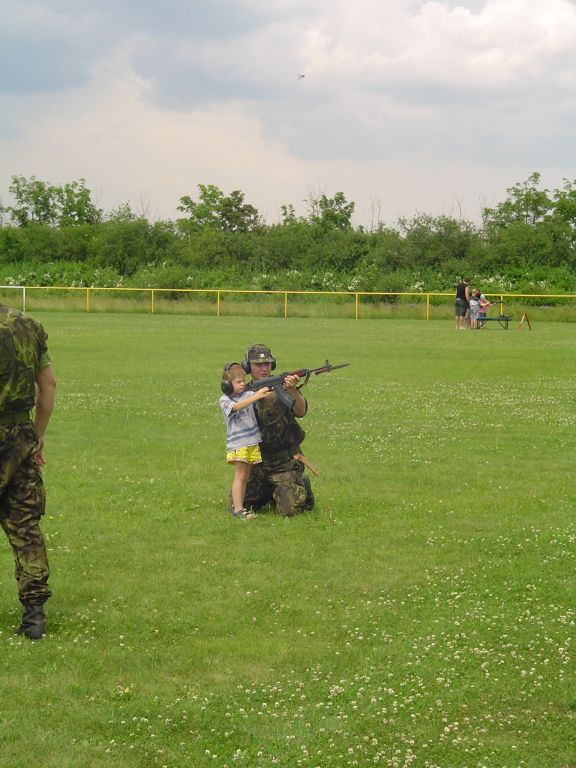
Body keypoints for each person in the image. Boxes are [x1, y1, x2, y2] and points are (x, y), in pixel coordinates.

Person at [0, 302, 56, 640]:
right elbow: (48, 384)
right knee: (24, 526)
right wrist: (37, 434)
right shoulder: (28, 326)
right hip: (20, 437)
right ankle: (34, 615)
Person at [240, 343, 315, 517]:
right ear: (248, 367)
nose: (264, 368)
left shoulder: (282, 387)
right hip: (258, 462)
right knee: (239, 504)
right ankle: (272, 491)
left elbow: (301, 411)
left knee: (288, 512)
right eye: (258, 365)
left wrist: (293, 390)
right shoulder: (244, 393)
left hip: (285, 462)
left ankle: (299, 483)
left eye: (267, 364)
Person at [219, 363, 272, 520]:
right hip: (239, 444)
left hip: (252, 442)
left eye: (243, 381)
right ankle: (238, 509)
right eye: (238, 382)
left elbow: (264, 394)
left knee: (246, 476)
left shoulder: (247, 394)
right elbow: (236, 407)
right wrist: (255, 396)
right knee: (240, 475)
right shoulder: (224, 400)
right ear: (227, 385)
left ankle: (240, 507)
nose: (243, 384)